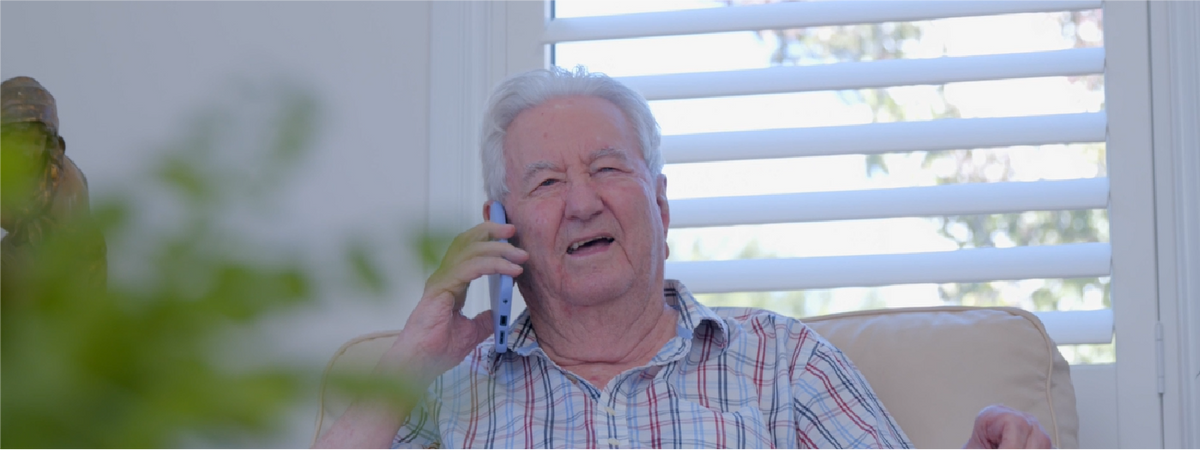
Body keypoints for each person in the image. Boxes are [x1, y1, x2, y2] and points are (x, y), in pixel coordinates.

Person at [314, 67, 1054, 450]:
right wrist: (413, 353)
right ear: (500, 228)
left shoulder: (782, 362)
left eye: (608, 169)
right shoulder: (445, 394)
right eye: (545, 183)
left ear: (660, 206)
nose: (581, 203)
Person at [0, 76, 106, 293]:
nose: (27, 152)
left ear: (50, 144)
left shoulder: (67, 186)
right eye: (17, 141)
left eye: (36, 142)